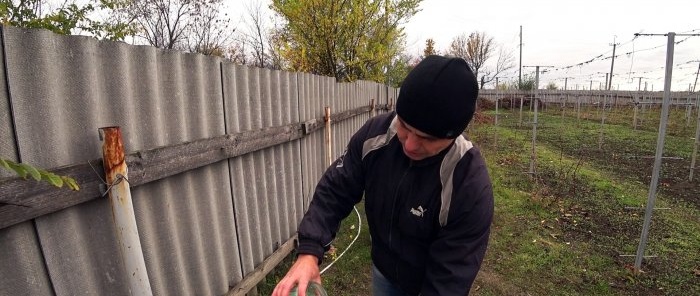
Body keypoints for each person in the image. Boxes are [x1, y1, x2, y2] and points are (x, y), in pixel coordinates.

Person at [272, 55, 494, 296]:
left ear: (453, 136)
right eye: (405, 127)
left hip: (428, 282)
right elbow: (336, 189)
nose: (409, 145)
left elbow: (450, 278)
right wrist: (309, 252)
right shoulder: (374, 136)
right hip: (384, 271)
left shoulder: (468, 185)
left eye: (427, 138)